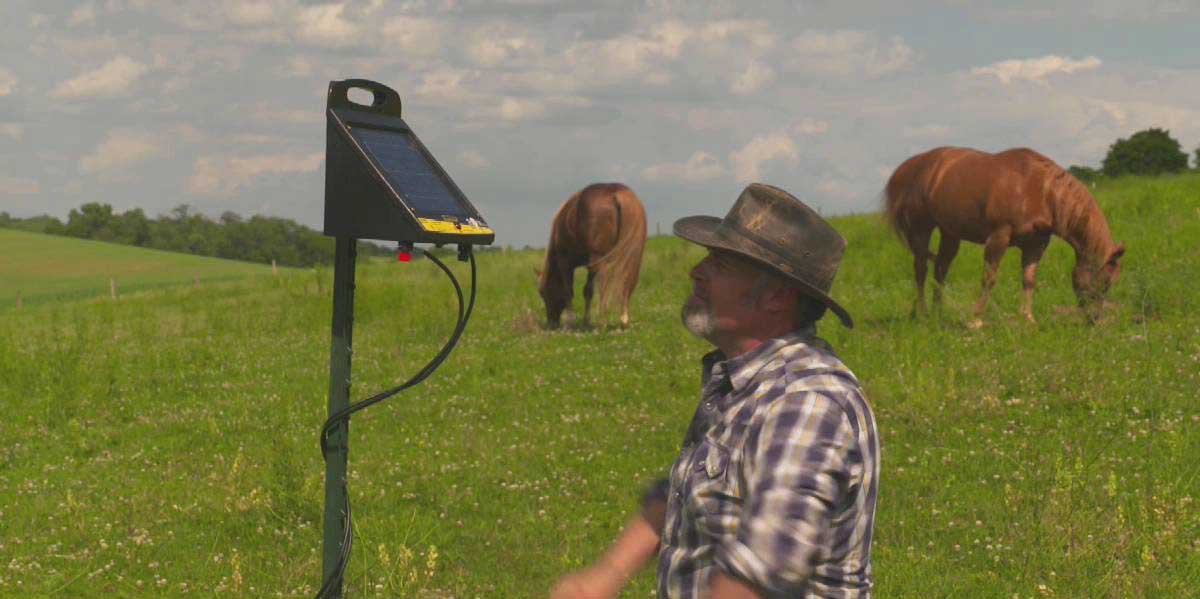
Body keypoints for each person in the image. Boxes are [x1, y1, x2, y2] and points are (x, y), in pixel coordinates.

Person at [551, 183, 880, 598]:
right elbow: (682, 495)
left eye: (721, 263)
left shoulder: (806, 405)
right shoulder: (741, 384)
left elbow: (758, 577)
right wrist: (604, 576)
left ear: (777, 295)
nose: (696, 271)